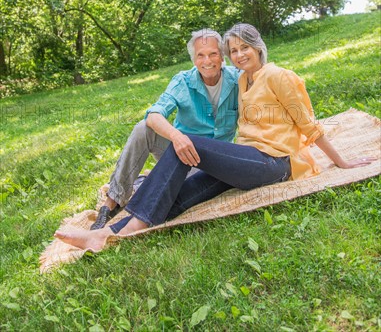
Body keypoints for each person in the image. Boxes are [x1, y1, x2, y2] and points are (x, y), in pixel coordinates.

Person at [55, 23, 374, 251]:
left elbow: (308, 124)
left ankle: (111, 229)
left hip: (274, 161)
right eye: (233, 50)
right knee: (177, 198)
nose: (237, 55)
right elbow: (156, 115)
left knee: (187, 145)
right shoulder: (244, 80)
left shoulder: (278, 75)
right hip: (241, 159)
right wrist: (181, 139)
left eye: (243, 48)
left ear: (258, 47)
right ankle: (113, 232)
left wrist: (342, 162)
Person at [90, 28, 240, 229]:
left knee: (182, 189)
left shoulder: (238, 79)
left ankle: (145, 181)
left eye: (213, 54)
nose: (207, 61)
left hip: (213, 162)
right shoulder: (183, 81)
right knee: (144, 128)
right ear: (194, 60)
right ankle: (112, 202)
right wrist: (176, 136)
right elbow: (154, 115)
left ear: (222, 56)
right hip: (180, 153)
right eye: (200, 55)